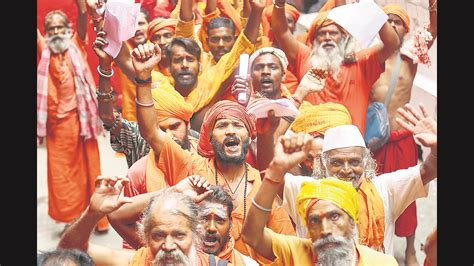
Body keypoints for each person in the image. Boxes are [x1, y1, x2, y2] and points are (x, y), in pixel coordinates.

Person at [132, 41, 296, 261]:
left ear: (249, 136)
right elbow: (152, 132)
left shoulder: (260, 187)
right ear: (209, 138)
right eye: (222, 126)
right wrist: (143, 79)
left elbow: (288, 249)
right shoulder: (192, 166)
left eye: (238, 126)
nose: (230, 131)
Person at [274, 103, 437, 255]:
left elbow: (429, 169)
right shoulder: (307, 191)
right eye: (337, 162)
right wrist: (270, 137)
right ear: (323, 164)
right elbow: (270, 177)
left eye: (354, 162)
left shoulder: (385, 189)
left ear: (366, 162)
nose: (346, 169)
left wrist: (436, 148)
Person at [240, 134, 397, 264]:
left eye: (334, 216)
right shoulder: (296, 251)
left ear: (352, 221)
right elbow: (251, 235)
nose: (326, 230)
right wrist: (275, 172)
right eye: (314, 221)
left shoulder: (383, 263)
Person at [370, 2, 437, 264]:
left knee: (410, 191)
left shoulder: (411, 56)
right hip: (374, 140)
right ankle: (376, 242)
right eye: (388, 20)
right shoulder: (370, 56)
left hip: (402, 140)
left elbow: (433, 29)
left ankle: (409, 247)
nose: (392, 25)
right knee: (375, 193)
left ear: (407, 29)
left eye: (398, 21)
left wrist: (434, 9)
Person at [271, 0, 401, 134]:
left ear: (343, 38)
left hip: (348, 149)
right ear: (314, 39)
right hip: (308, 146)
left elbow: (392, 44)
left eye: (333, 33)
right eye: (322, 33)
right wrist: (279, 4)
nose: (327, 38)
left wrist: (371, 10)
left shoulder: (362, 63)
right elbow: (281, 32)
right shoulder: (305, 58)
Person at [37, 0, 108, 233]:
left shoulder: (77, 43)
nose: (56, 32)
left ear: (67, 29)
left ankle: (97, 218)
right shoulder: (45, 50)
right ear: (46, 34)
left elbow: (82, 13)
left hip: (82, 121)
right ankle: (72, 217)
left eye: (60, 27)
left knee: (91, 170)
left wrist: (81, 5)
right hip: (57, 126)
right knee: (63, 174)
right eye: (51, 29)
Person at [57, 175, 218, 265]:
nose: (168, 246)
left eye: (179, 235)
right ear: (145, 237)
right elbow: (67, 253)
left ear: (196, 235)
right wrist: (92, 214)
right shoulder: (136, 262)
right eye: (159, 236)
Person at [92, 33, 198, 168]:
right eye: (161, 130)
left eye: (174, 127)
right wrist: (105, 67)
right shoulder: (138, 138)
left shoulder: (200, 146)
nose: (168, 137)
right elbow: (107, 117)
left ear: (188, 125)